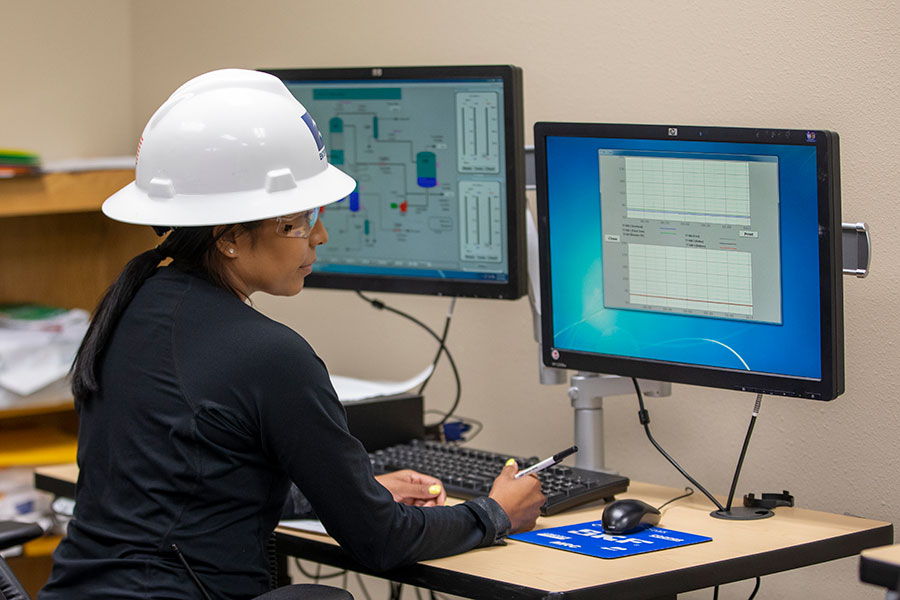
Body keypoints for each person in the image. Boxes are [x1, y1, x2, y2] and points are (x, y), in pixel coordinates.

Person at [39, 69, 545, 600]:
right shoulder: (269, 354)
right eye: (297, 222)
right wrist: (495, 513)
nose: (319, 237)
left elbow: (188, 491)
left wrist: (349, 494)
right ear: (230, 238)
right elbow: (379, 542)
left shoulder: (131, 304)